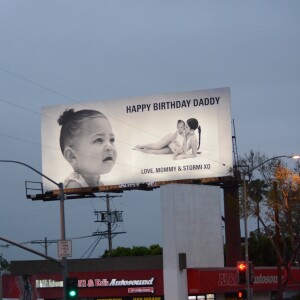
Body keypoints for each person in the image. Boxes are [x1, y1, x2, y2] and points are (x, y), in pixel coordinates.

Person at [58, 108, 117, 188]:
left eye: (111, 140)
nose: (109, 146)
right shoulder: (74, 185)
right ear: (72, 156)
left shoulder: (99, 184)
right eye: (99, 139)